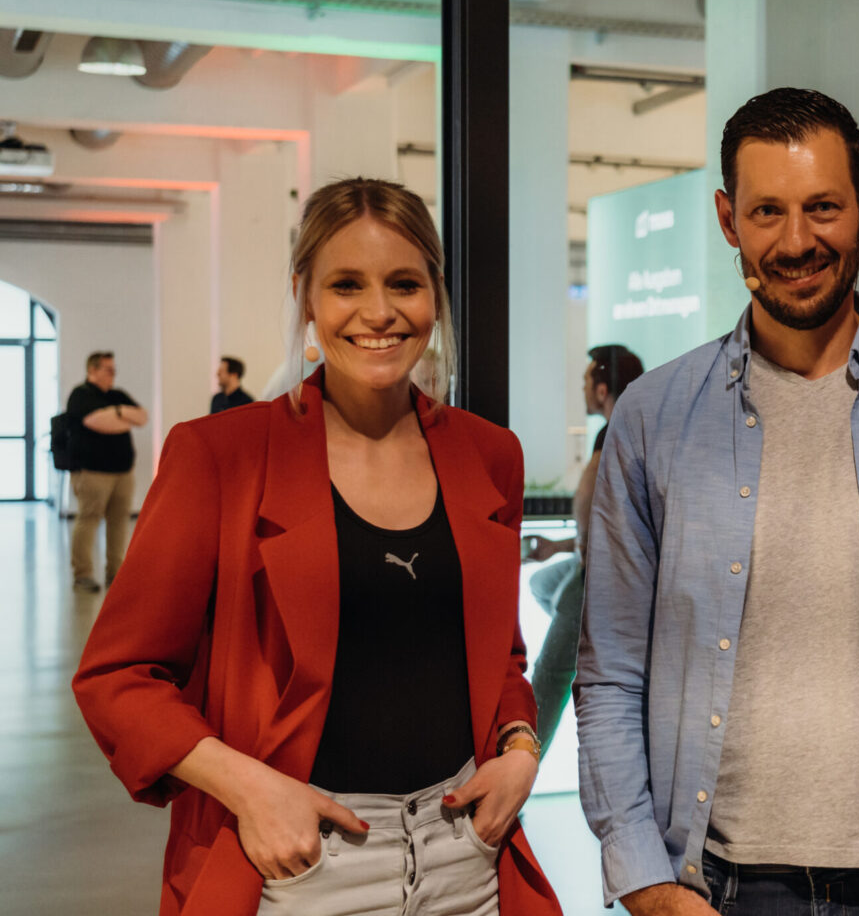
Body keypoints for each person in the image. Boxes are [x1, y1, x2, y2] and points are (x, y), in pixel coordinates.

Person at [577, 88, 859, 916]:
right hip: (716, 887)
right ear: (728, 219)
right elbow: (610, 670)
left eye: (822, 207)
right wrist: (639, 871)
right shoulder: (652, 419)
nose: (795, 242)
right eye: (767, 212)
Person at [73, 178, 562, 916]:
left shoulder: (489, 454)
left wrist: (521, 749)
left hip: (468, 859)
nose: (379, 312)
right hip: (296, 865)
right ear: (305, 295)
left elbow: (499, 656)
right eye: (346, 285)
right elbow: (119, 677)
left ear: (436, 296)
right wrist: (250, 789)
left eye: (405, 284)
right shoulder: (222, 456)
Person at [524, 342, 645, 751]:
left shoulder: (620, 429)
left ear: (601, 389)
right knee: (542, 583)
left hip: (604, 577)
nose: (582, 390)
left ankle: (520, 772)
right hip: (598, 565)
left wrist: (586, 553)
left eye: (585, 381)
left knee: (550, 672)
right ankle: (589, 643)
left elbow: (590, 501)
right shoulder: (620, 429)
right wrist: (559, 546)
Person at [66, 350, 147, 593]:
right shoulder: (81, 395)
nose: (113, 373)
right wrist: (122, 417)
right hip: (92, 472)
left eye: (114, 369)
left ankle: (115, 572)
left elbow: (142, 416)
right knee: (88, 519)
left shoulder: (117, 395)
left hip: (123, 471)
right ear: (92, 370)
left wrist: (117, 412)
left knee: (119, 522)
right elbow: (97, 423)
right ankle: (83, 574)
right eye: (108, 369)